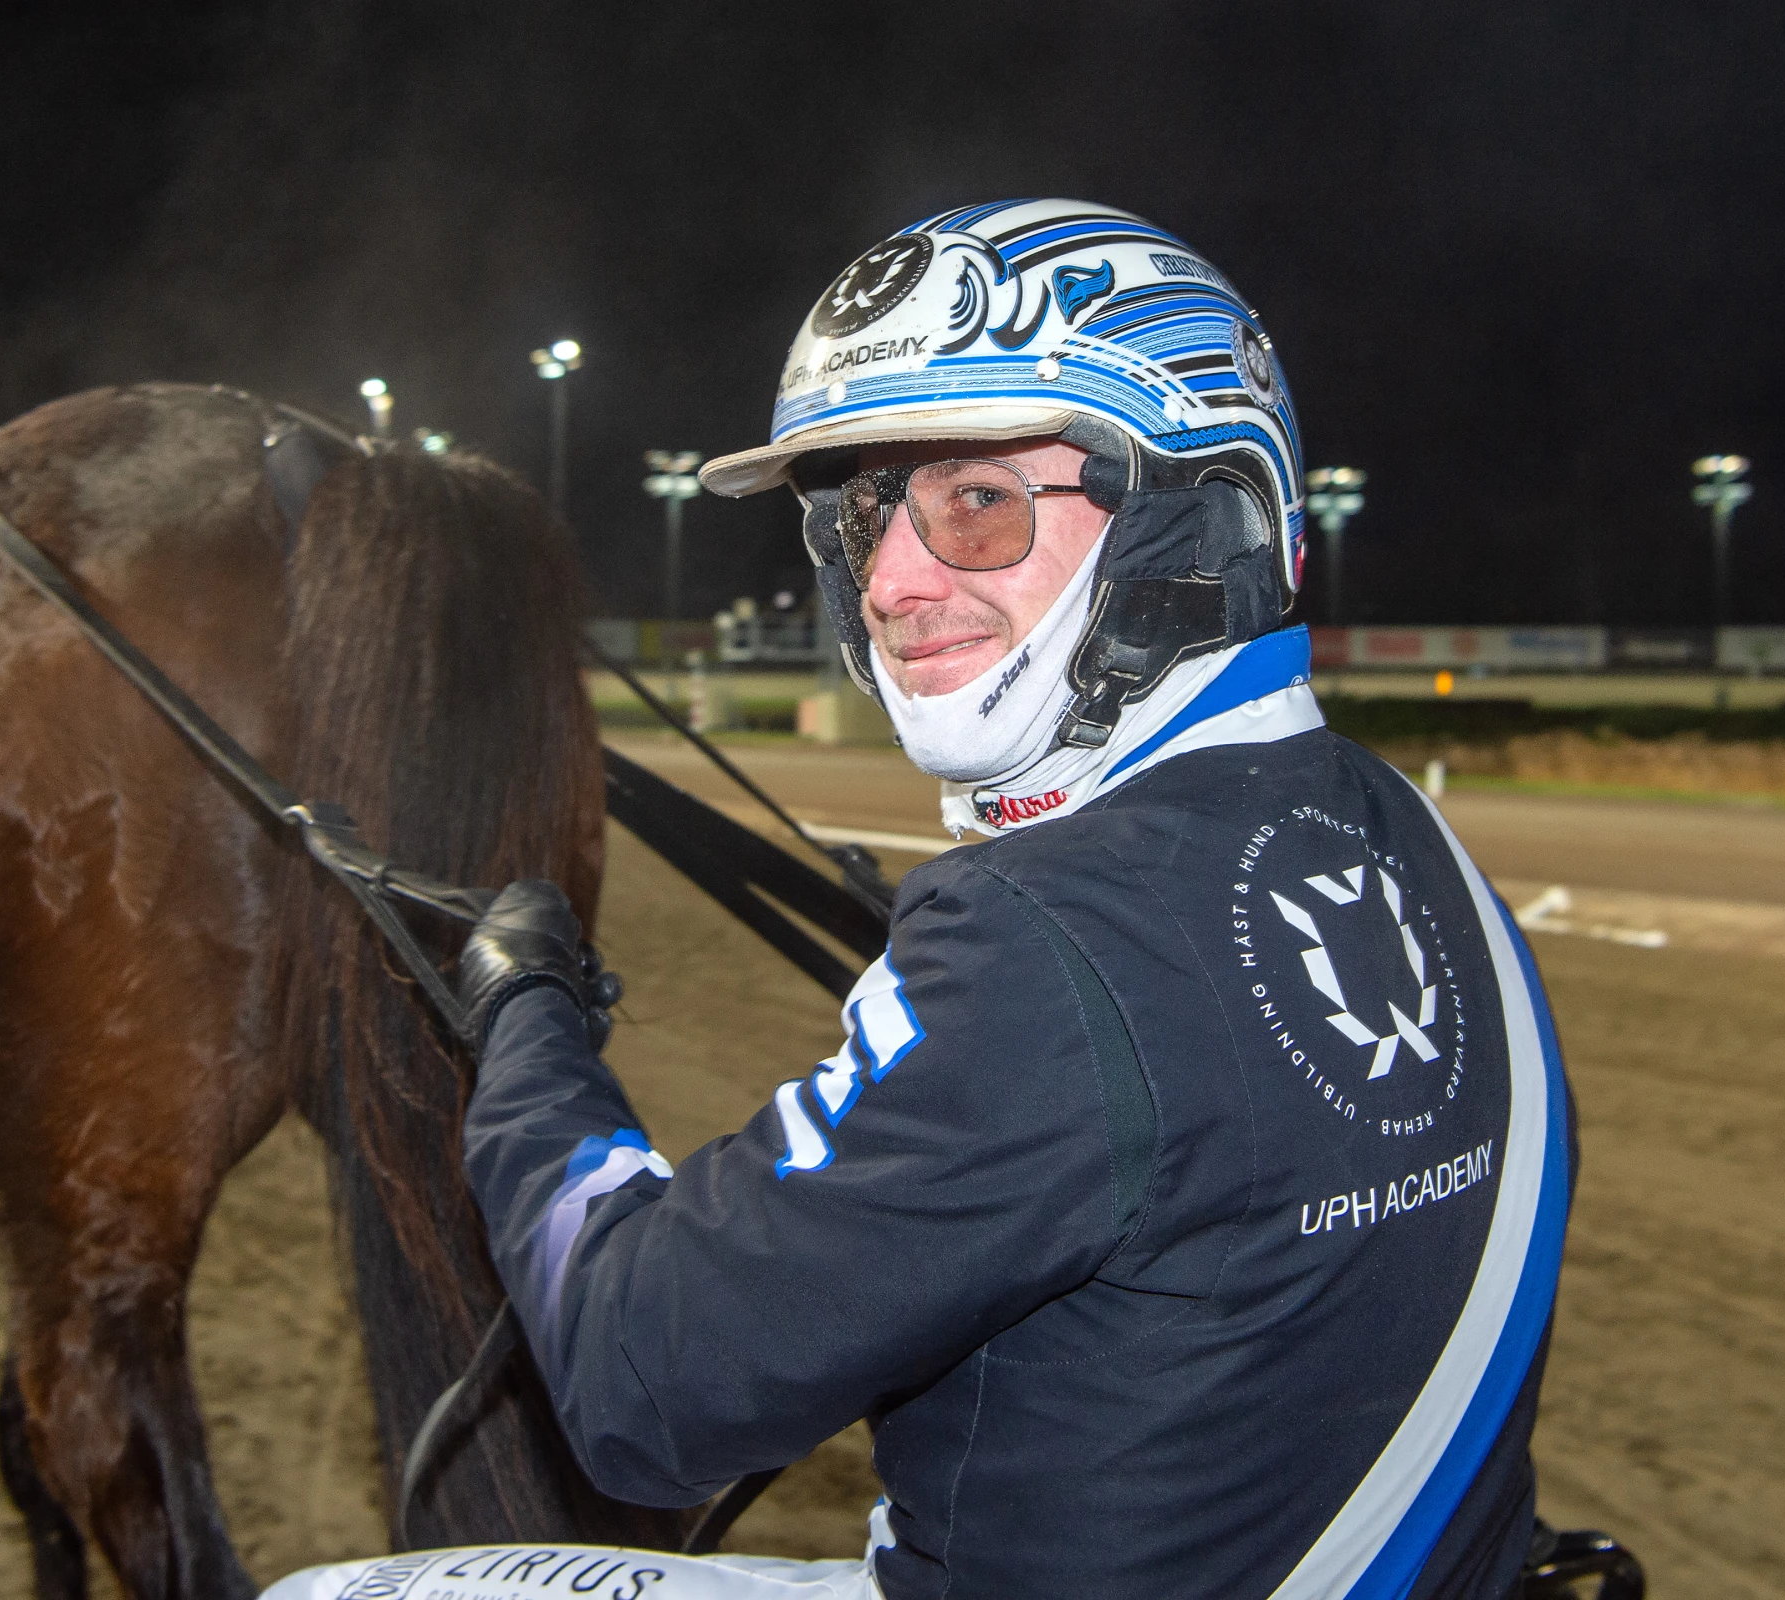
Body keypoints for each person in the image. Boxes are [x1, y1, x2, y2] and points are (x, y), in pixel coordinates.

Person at [266, 202, 1573, 1600]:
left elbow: (635, 1378)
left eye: (976, 502)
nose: (889, 581)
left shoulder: (1044, 932)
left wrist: (527, 1028)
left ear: (1196, 518)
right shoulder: (1415, 838)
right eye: (863, 515)